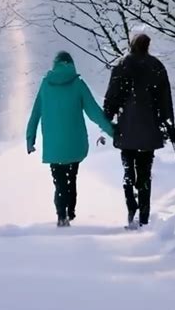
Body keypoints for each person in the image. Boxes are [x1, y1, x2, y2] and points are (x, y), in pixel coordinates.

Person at [26, 51, 114, 227]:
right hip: (74, 144)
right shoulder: (78, 84)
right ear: (71, 65)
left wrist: (30, 138)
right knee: (71, 177)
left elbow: (36, 112)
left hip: (54, 145)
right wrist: (113, 131)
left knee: (59, 181)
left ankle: (61, 214)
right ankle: (70, 211)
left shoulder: (46, 84)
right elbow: (94, 112)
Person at [103, 33, 175, 229]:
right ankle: (144, 215)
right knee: (145, 173)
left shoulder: (122, 65)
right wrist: (165, 126)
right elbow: (164, 100)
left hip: (127, 129)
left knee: (128, 170)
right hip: (149, 130)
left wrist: (107, 118)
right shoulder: (157, 67)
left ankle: (131, 206)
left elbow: (113, 95)